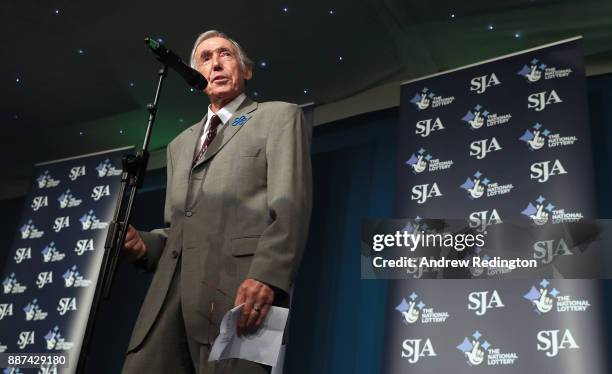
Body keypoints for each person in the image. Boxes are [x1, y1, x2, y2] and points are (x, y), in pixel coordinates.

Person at [121, 30, 312, 374]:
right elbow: (179, 229)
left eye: (225, 54)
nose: (216, 64)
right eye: (205, 58)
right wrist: (144, 245)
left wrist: (268, 277)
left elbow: (290, 207)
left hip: (242, 295)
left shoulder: (278, 117)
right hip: (169, 303)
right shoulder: (180, 145)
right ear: (196, 75)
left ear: (246, 70)